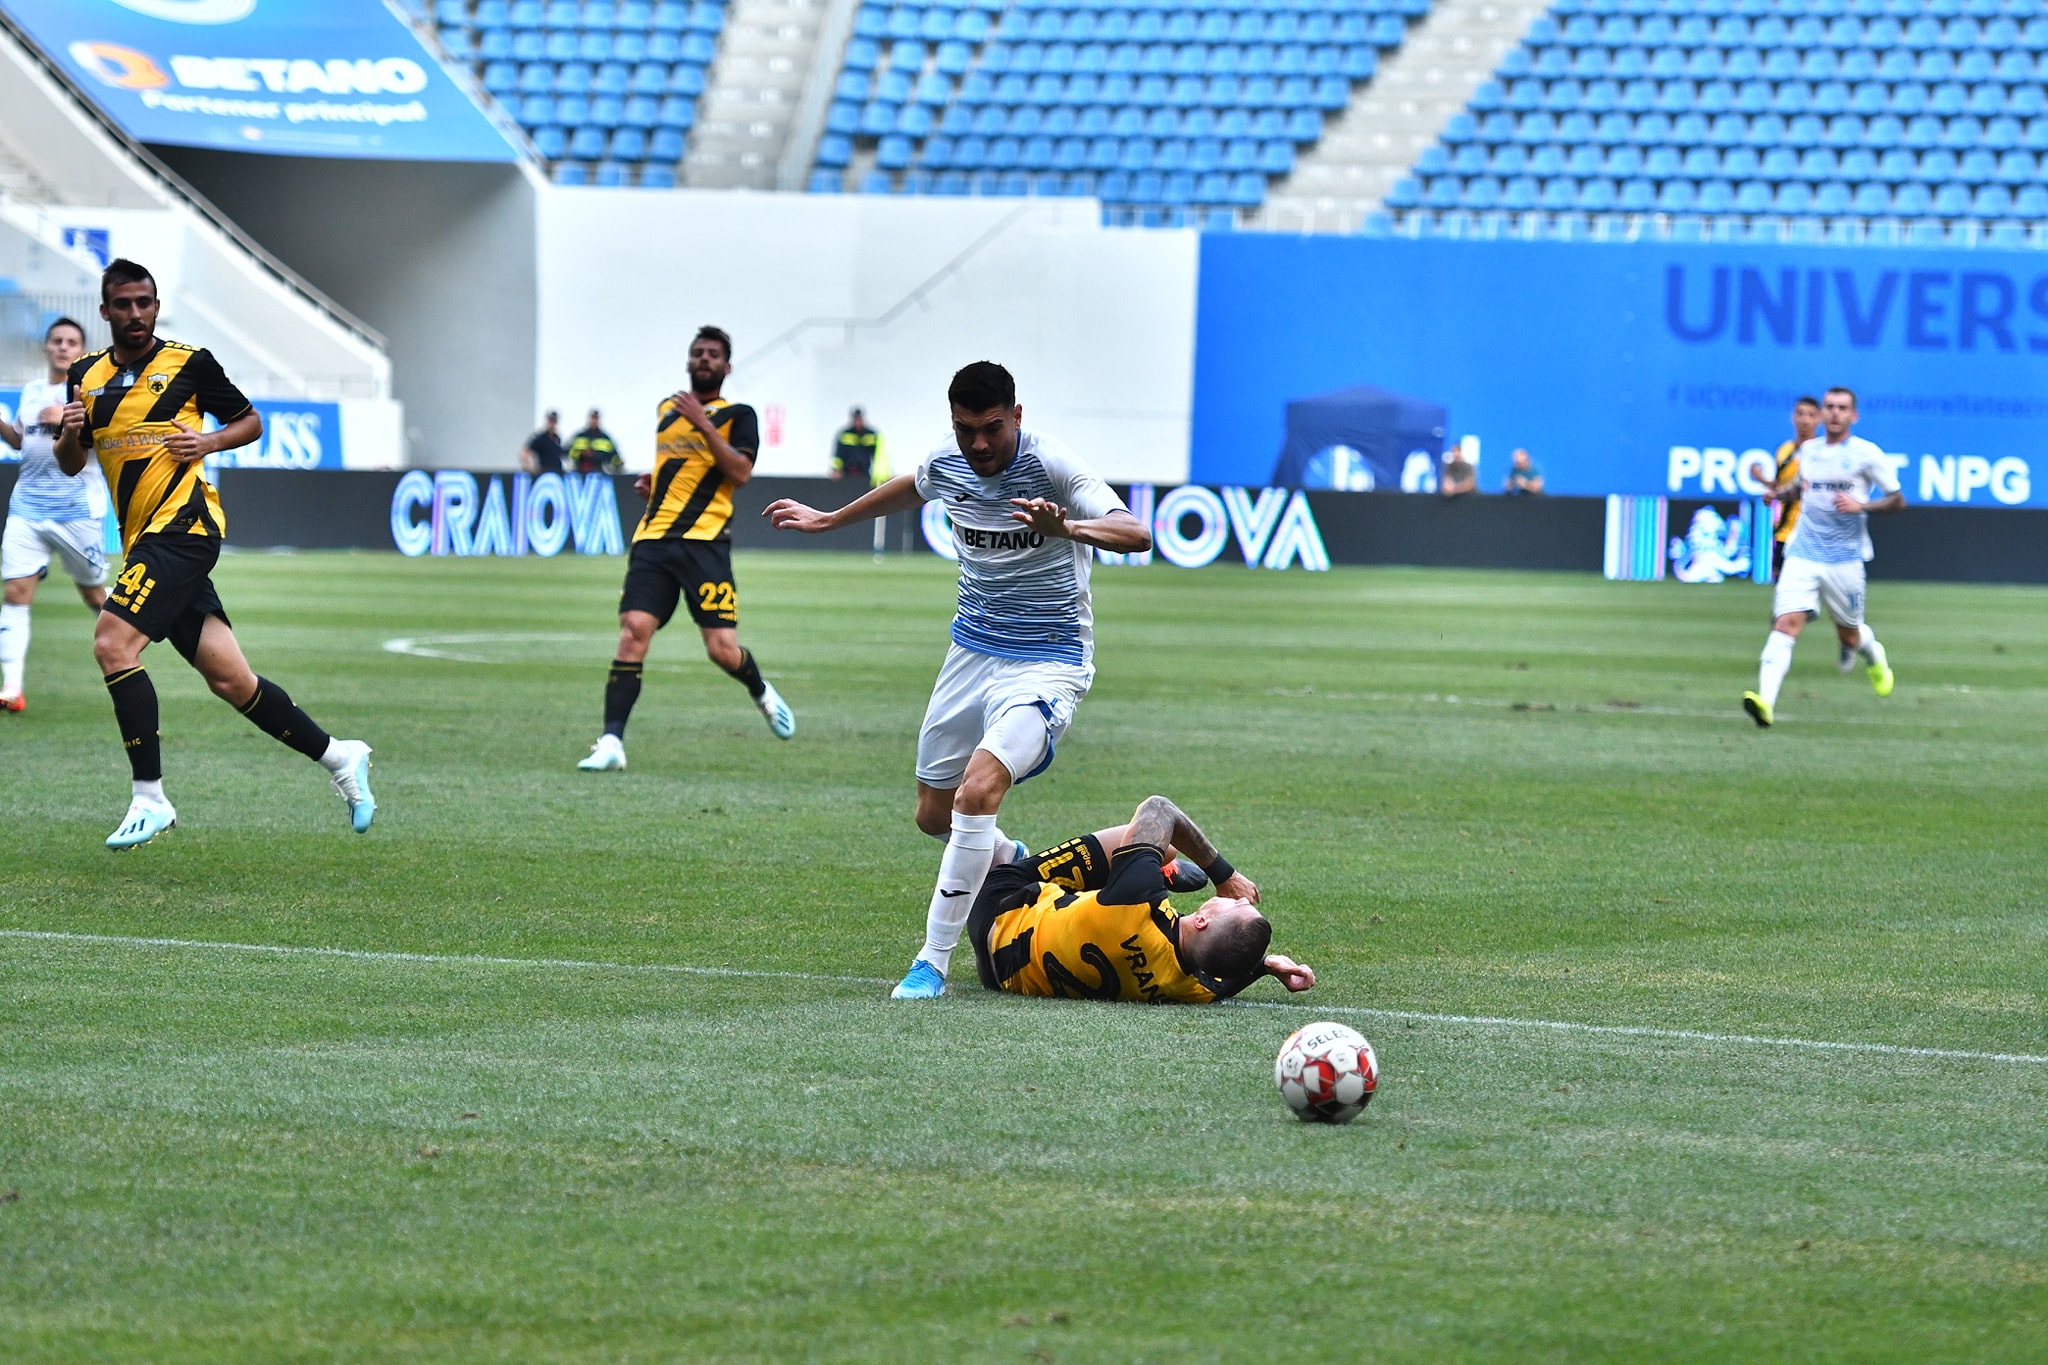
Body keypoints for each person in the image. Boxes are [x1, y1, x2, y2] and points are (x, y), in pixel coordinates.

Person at [764, 361, 1152, 1000]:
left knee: (977, 792)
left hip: (1047, 660)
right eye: (966, 429)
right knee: (931, 814)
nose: (979, 444)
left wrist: (1069, 528)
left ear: (1017, 418)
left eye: (992, 429)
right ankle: (1006, 857)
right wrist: (830, 519)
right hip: (970, 653)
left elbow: (1135, 531)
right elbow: (913, 485)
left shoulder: (1054, 466)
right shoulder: (949, 461)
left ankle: (931, 961)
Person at [54, 259, 375, 848]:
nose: (135, 314)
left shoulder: (189, 362)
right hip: (142, 539)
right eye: (122, 304)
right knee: (232, 681)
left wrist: (208, 440)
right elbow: (71, 462)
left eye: (144, 302)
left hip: (184, 527)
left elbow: (250, 420)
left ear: (155, 305)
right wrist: (73, 431)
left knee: (111, 642)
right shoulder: (84, 375)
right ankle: (339, 755)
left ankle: (149, 796)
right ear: (105, 312)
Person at [577, 325, 794, 771]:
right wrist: (653, 486)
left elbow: (739, 472)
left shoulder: (739, 413)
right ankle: (612, 743)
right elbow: (680, 469)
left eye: (713, 354)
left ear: (727, 366)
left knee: (720, 648)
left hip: (705, 544)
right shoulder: (666, 410)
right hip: (653, 538)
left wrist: (702, 422)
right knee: (632, 632)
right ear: (688, 361)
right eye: (698, 352)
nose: (704, 359)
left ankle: (760, 690)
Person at [969, 794, 1315, 1003]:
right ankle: (1151, 864)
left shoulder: (1137, 902)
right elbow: (1225, 975)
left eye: (1238, 907)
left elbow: (1159, 807)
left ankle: (1163, 866)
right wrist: (1266, 966)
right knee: (1110, 896)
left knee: (1165, 845)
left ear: (1202, 919)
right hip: (1001, 977)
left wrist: (1225, 875)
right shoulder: (1192, 989)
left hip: (997, 913)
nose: (1243, 902)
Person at [1741, 386, 1902, 729]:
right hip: (1803, 552)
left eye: (1842, 408)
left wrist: (1862, 505)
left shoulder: (1866, 454)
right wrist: (1778, 493)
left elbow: (1897, 500)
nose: (1834, 413)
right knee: (1785, 623)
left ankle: (1874, 655)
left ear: (1853, 416)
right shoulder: (1809, 451)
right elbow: (1802, 487)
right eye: (1829, 406)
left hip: (1844, 558)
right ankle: (1765, 703)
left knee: (1849, 635)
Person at [1, 317, 110, 711]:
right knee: (15, 593)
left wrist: (65, 418)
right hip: (26, 508)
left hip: (75, 510)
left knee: (96, 596)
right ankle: (11, 689)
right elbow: (20, 440)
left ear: (81, 350)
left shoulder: (94, 391)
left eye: (71, 342)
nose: (63, 347)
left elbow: (106, 440)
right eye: (57, 341)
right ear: (45, 348)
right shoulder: (31, 391)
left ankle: (152, 618)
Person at [830, 407, 883, 484]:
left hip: (865, 473)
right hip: (847, 474)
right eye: (856, 419)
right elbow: (838, 455)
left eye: (860, 419)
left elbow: (878, 456)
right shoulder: (844, 434)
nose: (858, 422)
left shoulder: (871, 434)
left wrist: (881, 473)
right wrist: (836, 469)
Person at [567, 409, 620, 474]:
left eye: (596, 418)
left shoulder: (605, 438)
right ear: (589, 419)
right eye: (593, 418)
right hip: (580, 474)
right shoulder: (579, 437)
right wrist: (581, 454)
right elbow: (569, 453)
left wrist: (618, 462)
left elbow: (614, 456)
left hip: (599, 473)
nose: (594, 421)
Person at [519, 409, 565, 475]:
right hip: (545, 473)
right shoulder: (541, 438)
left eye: (554, 422)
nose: (552, 424)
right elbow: (525, 452)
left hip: (557, 473)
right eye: (551, 421)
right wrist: (530, 467)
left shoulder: (557, 439)